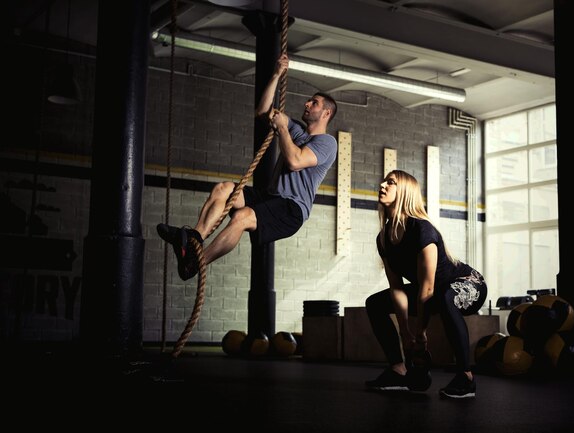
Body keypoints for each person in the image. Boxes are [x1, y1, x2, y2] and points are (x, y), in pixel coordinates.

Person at [157, 54, 338, 280]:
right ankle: (193, 240)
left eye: (314, 103)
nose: (307, 104)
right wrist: (275, 75)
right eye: (309, 101)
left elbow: (295, 162)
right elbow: (263, 111)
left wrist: (282, 129)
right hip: (270, 197)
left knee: (242, 217)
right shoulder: (298, 131)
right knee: (224, 189)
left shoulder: (327, 143)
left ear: (326, 113)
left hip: (291, 209)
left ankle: (195, 263)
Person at [365, 170, 487, 399]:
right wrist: (405, 333)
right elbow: (397, 289)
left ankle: (466, 377)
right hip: (432, 290)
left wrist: (420, 333)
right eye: (384, 181)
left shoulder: (422, 229)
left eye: (391, 182)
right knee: (375, 303)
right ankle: (398, 370)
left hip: (467, 283)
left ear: (406, 193)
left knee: (444, 296)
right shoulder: (383, 238)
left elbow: (428, 288)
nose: (382, 185)